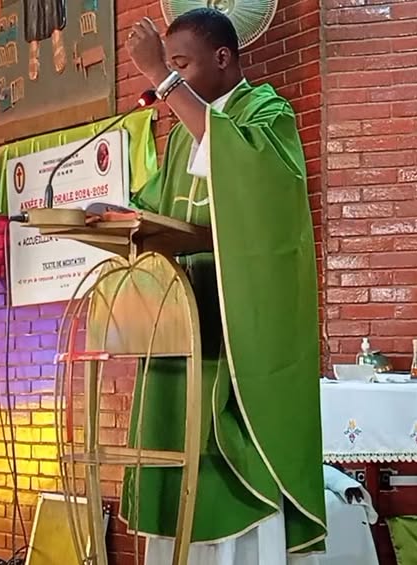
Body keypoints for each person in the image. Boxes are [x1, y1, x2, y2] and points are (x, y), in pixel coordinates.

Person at [120, 7, 326, 564]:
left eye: (181, 65)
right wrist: (116, 217)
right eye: (170, 67)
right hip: (183, 321)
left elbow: (255, 185)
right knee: (178, 449)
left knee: (239, 454)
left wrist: (159, 77)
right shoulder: (183, 139)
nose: (174, 77)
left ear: (223, 57)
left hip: (242, 322)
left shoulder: (267, 114)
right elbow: (158, 208)